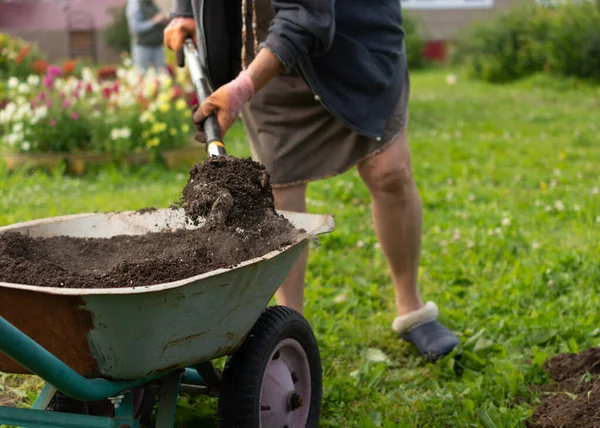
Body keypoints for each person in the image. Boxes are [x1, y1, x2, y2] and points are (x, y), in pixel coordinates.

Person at [164, 0, 459, 362]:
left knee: (390, 171)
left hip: (355, 42)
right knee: (282, 185)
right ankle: (290, 327)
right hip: (264, 48)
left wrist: (242, 87)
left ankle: (410, 305)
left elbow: (306, 16)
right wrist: (184, 10)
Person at [126, 0, 168, 71]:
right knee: (142, 75)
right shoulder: (135, 4)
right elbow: (135, 28)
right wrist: (154, 21)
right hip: (143, 47)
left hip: (157, 45)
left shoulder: (151, 3)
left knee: (162, 75)